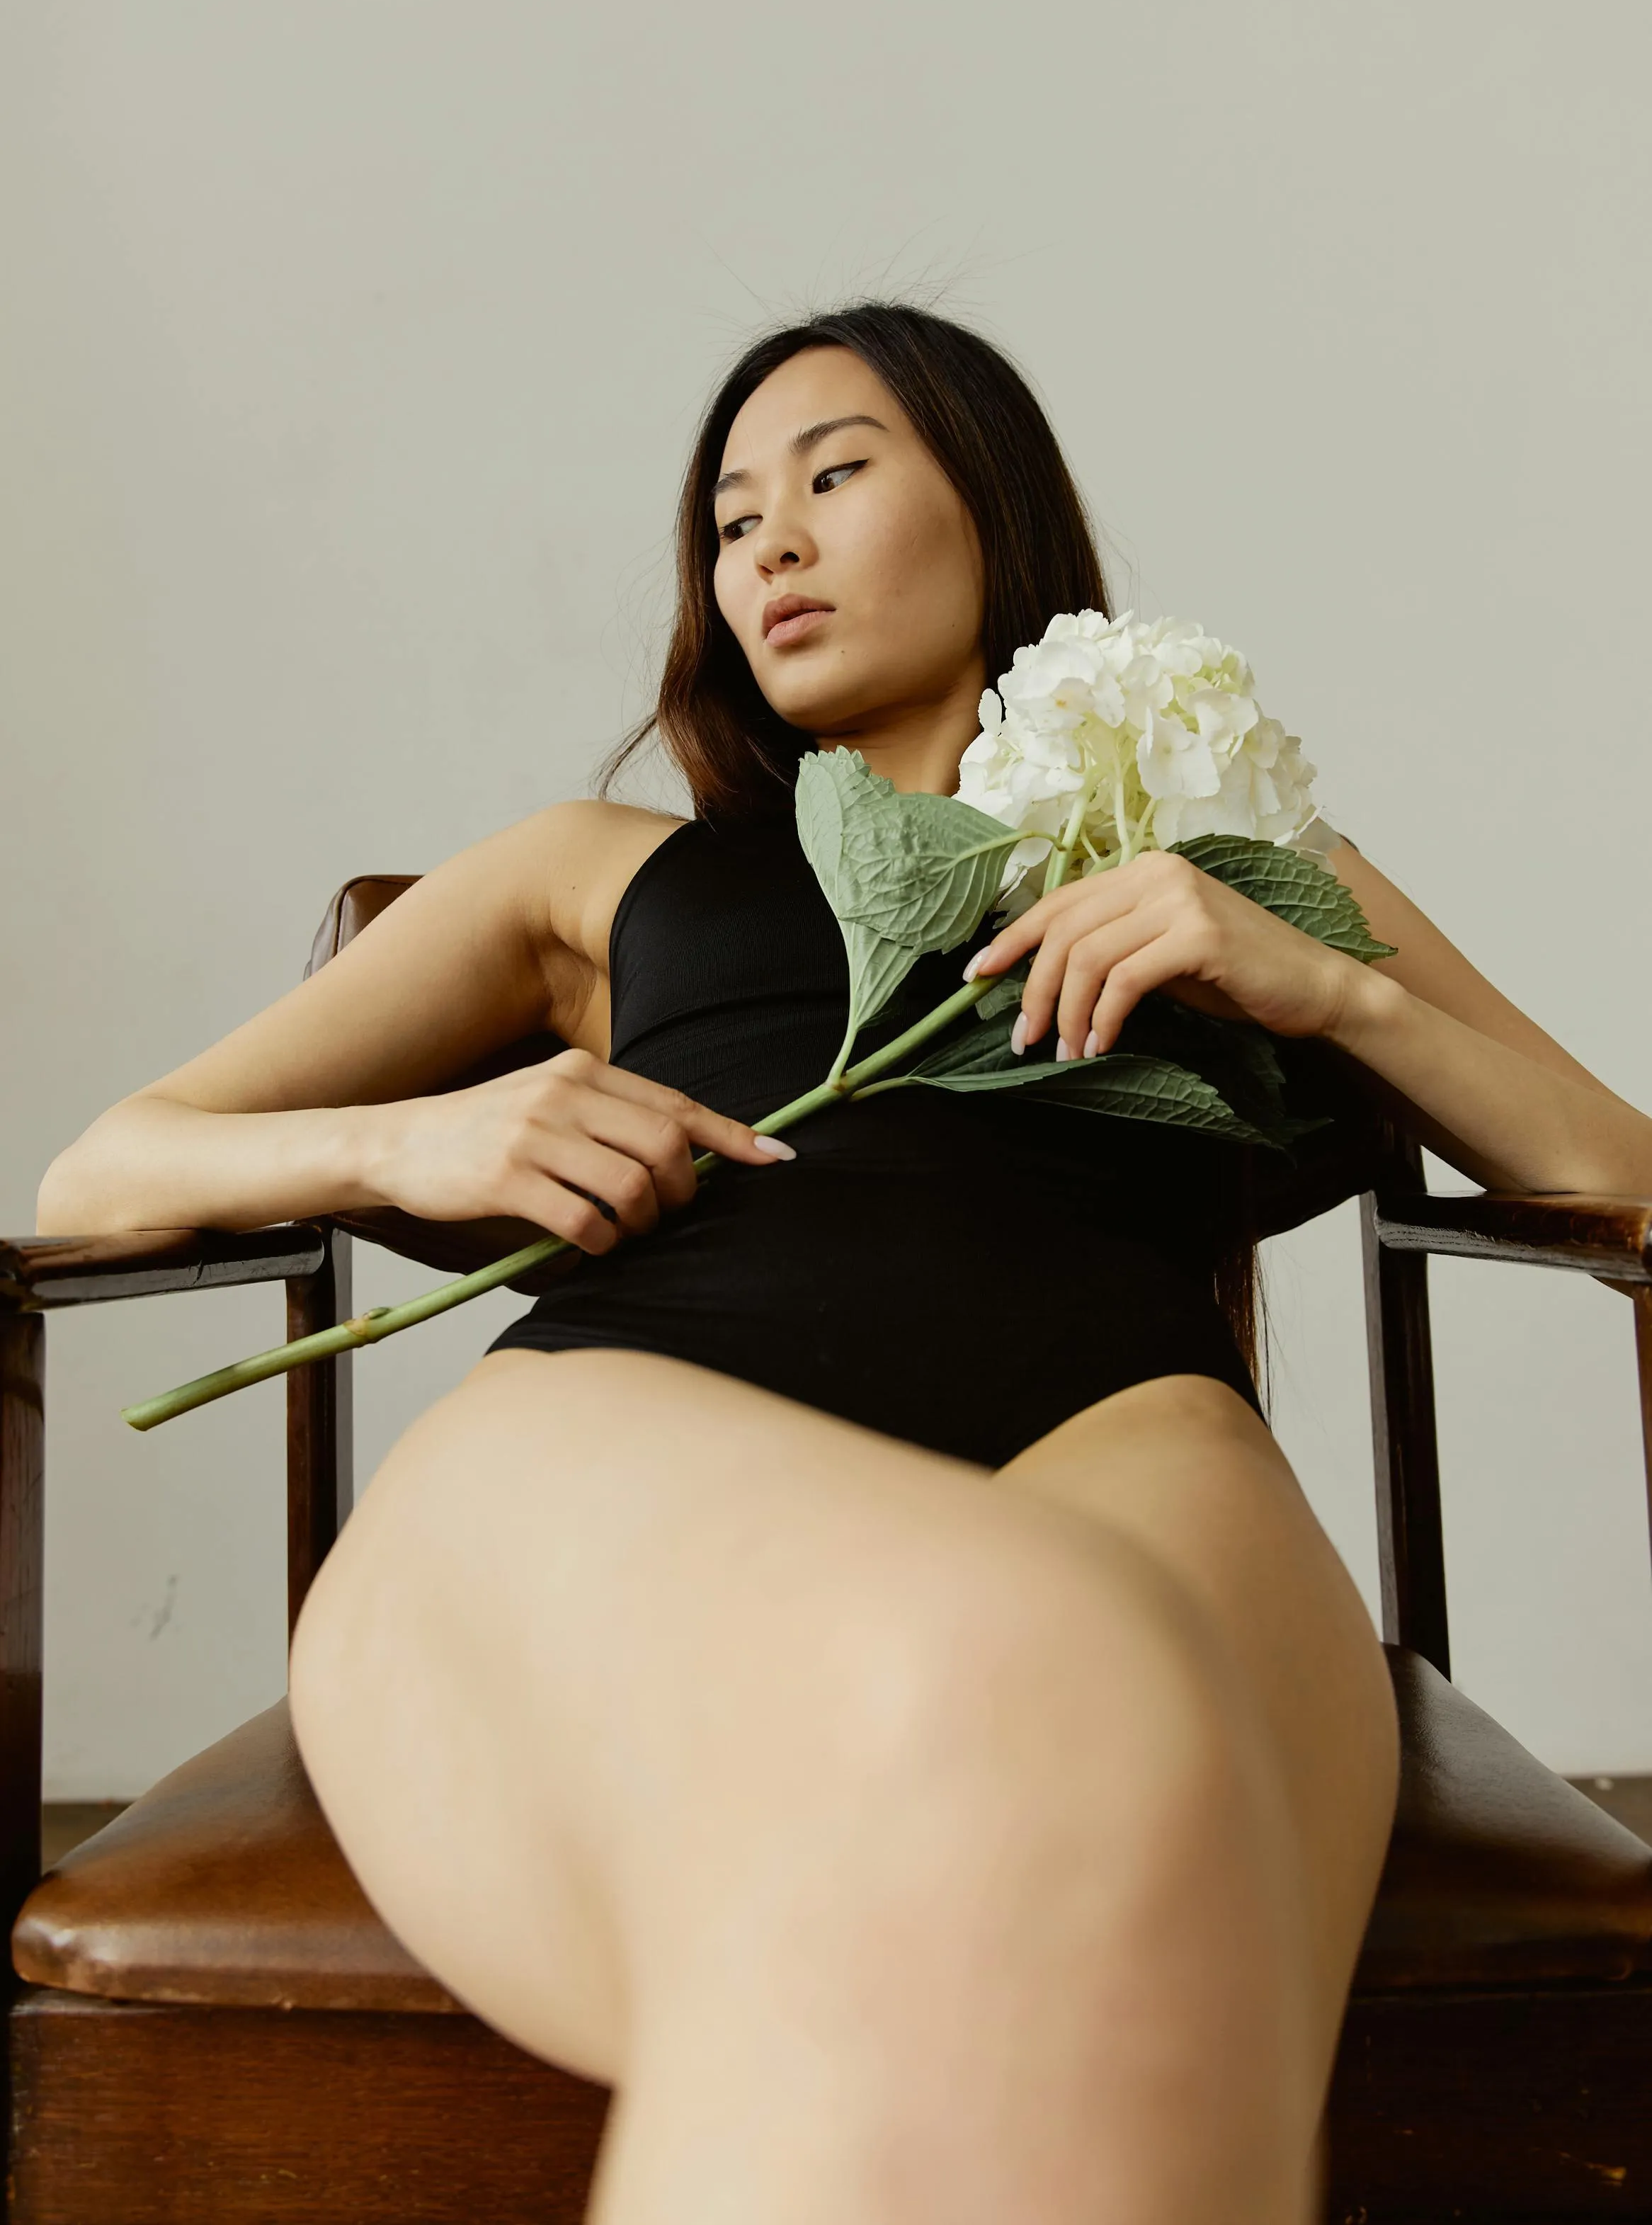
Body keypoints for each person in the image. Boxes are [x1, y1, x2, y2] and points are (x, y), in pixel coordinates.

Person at [38, 303, 1652, 2224]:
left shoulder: (1216, 852)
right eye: (727, 519)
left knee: (1118, 1773)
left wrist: (1311, 972)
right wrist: (419, 1136)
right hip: (639, 1421)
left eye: (831, 472)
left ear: (991, 506)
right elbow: (102, 1166)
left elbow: (1610, 1168)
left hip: (1123, 1439)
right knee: (1017, 1672)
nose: (767, 545)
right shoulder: (605, 867)